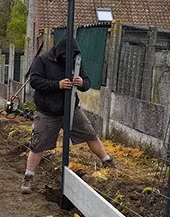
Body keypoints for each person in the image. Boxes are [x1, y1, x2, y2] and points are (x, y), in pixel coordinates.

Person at [21, 36, 114, 194]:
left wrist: (81, 83)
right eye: (65, 56)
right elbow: (35, 81)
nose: (67, 58)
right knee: (38, 145)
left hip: (71, 109)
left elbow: (87, 82)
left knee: (90, 134)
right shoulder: (43, 60)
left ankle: (107, 162)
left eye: (70, 56)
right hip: (48, 112)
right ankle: (28, 178)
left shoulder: (75, 61)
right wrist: (57, 85)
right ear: (59, 52)